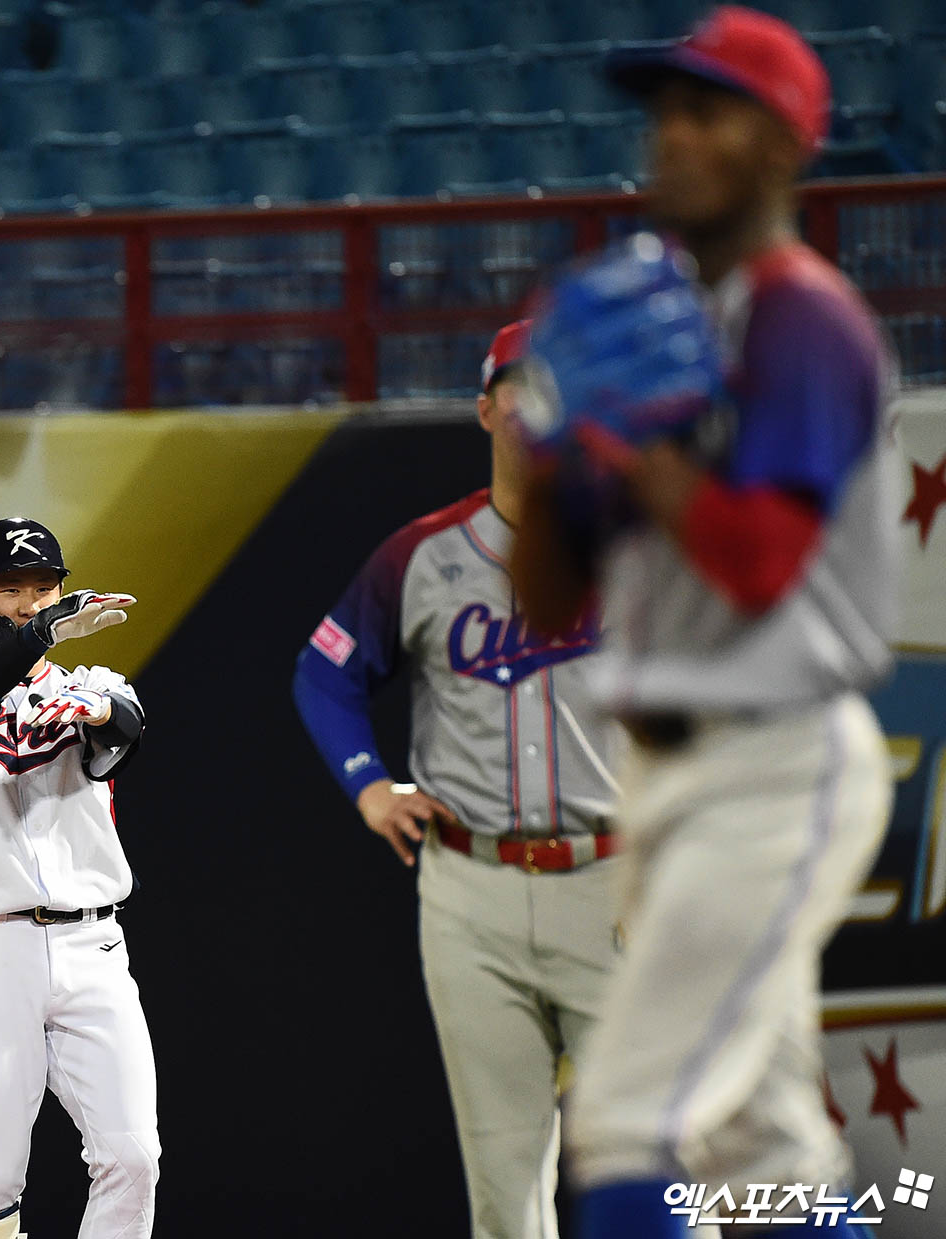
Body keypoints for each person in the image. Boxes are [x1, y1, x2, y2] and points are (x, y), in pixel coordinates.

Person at [509, 9, 899, 1236]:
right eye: (663, 114)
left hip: (777, 762)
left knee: (629, 1124)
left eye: (708, 113)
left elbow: (760, 562)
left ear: (783, 144)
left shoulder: (802, 318)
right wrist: (545, 444)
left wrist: (630, 447)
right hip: (671, 777)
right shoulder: (645, 327)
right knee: (768, 1156)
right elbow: (548, 599)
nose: (671, 138)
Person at [292, 324, 625, 1239]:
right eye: (517, 386)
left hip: (615, 884)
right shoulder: (422, 555)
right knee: (505, 1185)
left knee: (658, 1166)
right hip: (469, 890)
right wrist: (370, 785)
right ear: (485, 408)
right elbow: (325, 673)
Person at [0, 517, 160, 1239]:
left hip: (93, 947)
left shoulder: (94, 683)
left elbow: (123, 729)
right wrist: (40, 637)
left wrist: (103, 709)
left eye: (44, 587)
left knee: (133, 1157)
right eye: (11, 587)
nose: (30, 600)